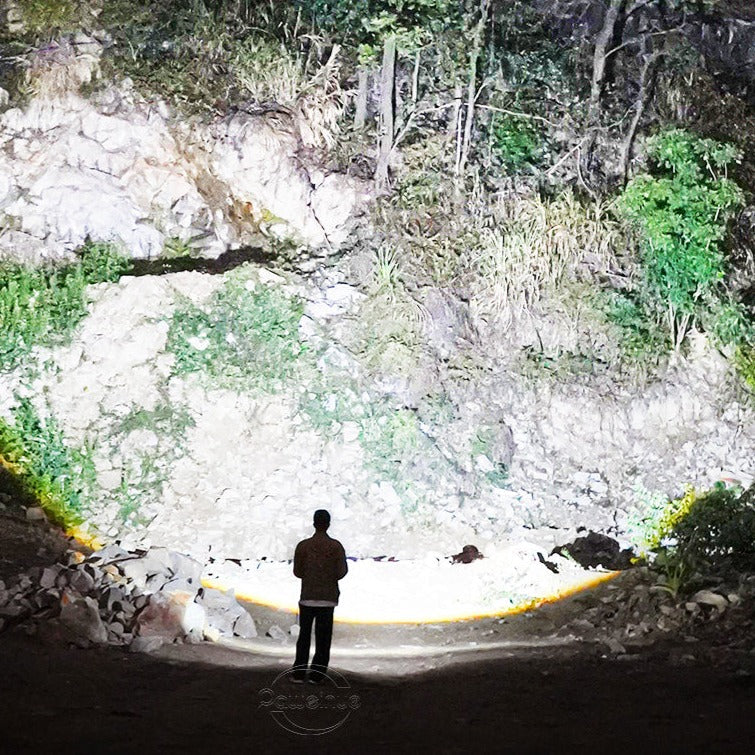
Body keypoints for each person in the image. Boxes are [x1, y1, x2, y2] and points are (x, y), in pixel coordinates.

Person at [291, 509, 348, 684]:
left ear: (314, 523)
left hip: (307, 596)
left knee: (304, 636)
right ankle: (317, 674)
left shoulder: (303, 546)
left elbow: (297, 572)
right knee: (323, 638)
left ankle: (299, 672)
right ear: (328, 524)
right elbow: (342, 571)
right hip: (328, 598)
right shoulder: (336, 546)